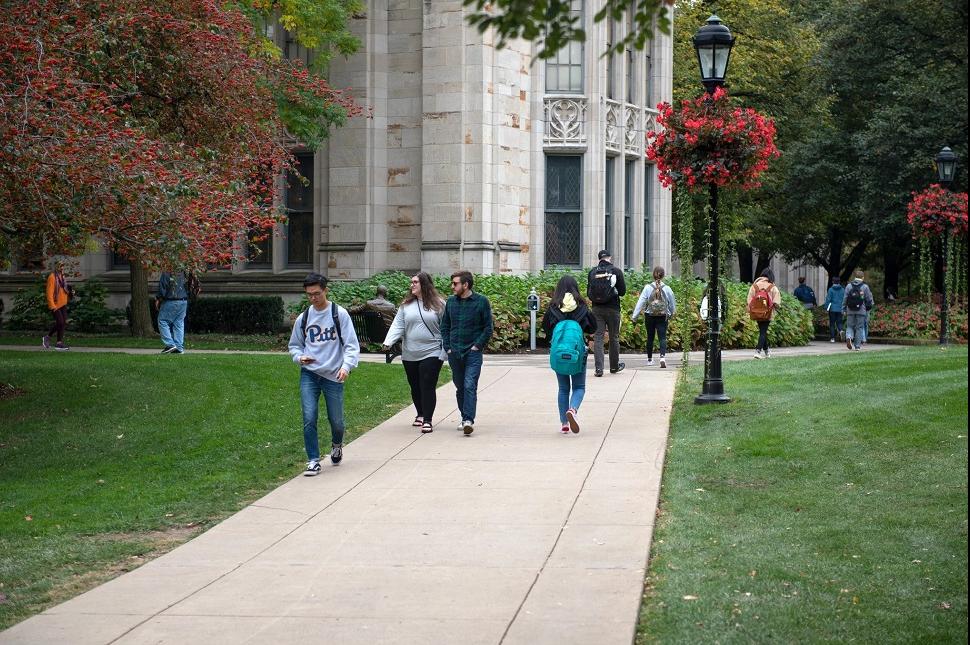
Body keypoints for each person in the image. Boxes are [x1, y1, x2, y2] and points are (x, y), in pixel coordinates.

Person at [289, 273, 360, 476]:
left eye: (317, 294)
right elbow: (294, 346)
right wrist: (299, 358)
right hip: (309, 374)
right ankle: (313, 459)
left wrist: (346, 367)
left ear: (325, 290)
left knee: (336, 421)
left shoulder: (339, 314)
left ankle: (337, 444)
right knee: (309, 417)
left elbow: (351, 345)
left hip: (333, 375)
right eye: (309, 295)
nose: (313, 298)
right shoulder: (304, 318)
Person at [382, 272, 447, 433]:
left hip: (432, 351)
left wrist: (445, 350)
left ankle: (428, 420)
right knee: (415, 385)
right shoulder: (405, 305)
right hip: (410, 352)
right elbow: (398, 325)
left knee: (427, 384)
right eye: (411, 282)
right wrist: (388, 342)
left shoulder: (439, 304)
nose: (412, 285)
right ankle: (420, 413)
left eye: (415, 282)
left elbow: (446, 327)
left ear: (424, 284)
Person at [440, 270, 493, 436]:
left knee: (469, 384)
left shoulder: (481, 301)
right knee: (460, 386)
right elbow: (445, 326)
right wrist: (448, 347)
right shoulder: (450, 302)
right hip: (454, 351)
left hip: (473, 352)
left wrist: (477, 345)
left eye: (455, 283)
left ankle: (469, 420)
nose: (452, 286)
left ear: (466, 284)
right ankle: (464, 418)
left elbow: (488, 327)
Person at [542, 275, 597, 434]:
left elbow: (546, 327)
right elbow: (592, 327)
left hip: (559, 352)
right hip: (578, 352)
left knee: (563, 388)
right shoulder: (581, 307)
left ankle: (564, 423)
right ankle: (572, 410)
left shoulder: (553, 307)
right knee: (579, 387)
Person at [587, 250, 627, 376]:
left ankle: (599, 369)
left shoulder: (592, 272)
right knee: (613, 337)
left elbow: (589, 291)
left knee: (598, 337)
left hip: (597, 309)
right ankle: (614, 367)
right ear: (610, 257)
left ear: (599, 259)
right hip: (613, 308)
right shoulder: (616, 271)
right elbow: (622, 292)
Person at [632, 266, 677, 368]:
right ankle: (662, 357)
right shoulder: (667, 288)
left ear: (653, 275)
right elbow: (672, 303)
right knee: (662, 337)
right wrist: (672, 313)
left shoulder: (648, 288)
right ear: (663, 275)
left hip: (649, 315)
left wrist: (634, 316)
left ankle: (649, 359)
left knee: (650, 337)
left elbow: (641, 302)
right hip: (662, 315)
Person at [746, 268, 781, 359]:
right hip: (767, 313)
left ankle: (767, 351)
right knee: (763, 332)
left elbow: (749, 300)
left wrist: (751, 309)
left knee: (762, 331)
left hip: (756, 313)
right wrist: (776, 308)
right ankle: (758, 351)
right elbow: (776, 302)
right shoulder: (772, 287)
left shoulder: (755, 286)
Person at [156, 270, 191, 354]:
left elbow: (163, 287)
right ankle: (179, 348)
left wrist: (158, 298)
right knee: (179, 323)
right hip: (183, 301)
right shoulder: (185, 272)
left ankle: (170, 345)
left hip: (171, 300)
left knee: (162, 321)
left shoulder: (167, 272)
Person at [842, 270, 874, 351]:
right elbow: (869, 300)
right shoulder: (865, 287)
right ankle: (857, 346)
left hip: (850, 310)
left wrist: (843, 309)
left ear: (855, 277)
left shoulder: (849, 286)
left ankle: (849, 337)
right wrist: (868, 308)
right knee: (859, 328)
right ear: (862, 277)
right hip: (861, 310)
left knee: (850, 326)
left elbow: (845, 298)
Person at [42, 261, 70, 351]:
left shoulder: (62, 277)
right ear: (56, 267)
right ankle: (47, 337)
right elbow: (49, 293)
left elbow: (64, 289)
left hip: (63, 303)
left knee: (62, 323)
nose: (62, 268)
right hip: (55, 304)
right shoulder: (52, 277)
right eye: (60, 266)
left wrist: (71, 292)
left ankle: (59, 343)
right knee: (60, 322)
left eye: (62, 266)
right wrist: (52, 306)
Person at [823, 277, 845, 343]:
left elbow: (828, 299)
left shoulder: (830, 290)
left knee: (832, 323)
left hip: (832, 308)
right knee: (839, 322)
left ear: (832, 282)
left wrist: (826, 308)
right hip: (840, 308)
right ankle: (841, 331)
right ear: (839, 282)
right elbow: (844, 299)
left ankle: (832, 338)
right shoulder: (843, 290)